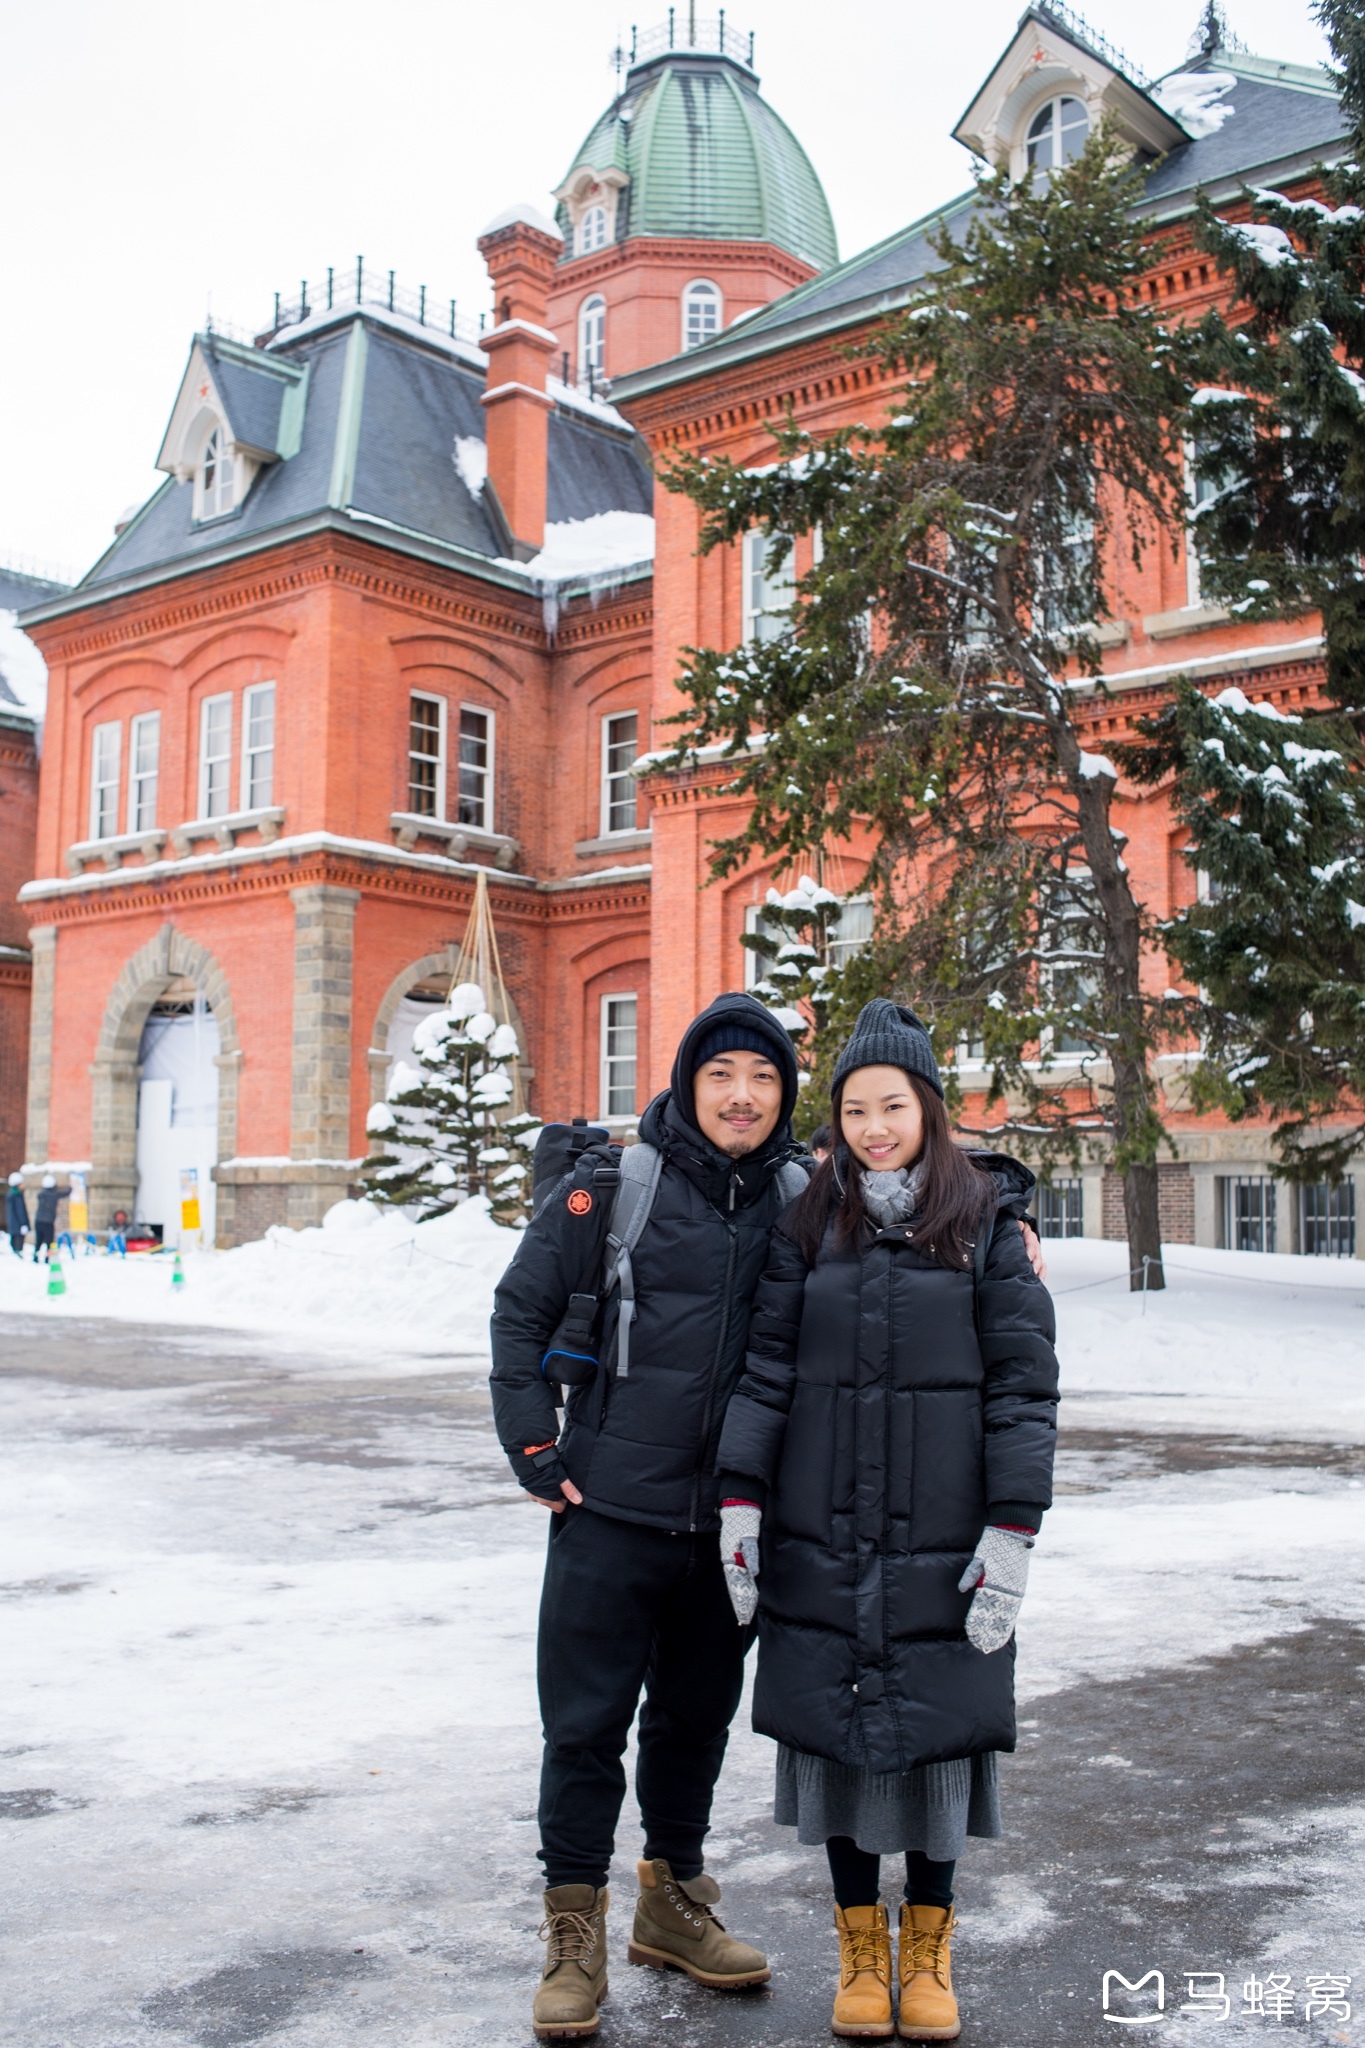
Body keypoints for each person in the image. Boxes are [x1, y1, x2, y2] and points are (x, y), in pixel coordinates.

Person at [714, 1000, 1059, 2042]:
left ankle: (933, 1948)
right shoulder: (807, 1223)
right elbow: (766, 1370)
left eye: (892, 1104)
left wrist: (1013, 1528)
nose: (873, 1125)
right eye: (854, 1107)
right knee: (838, 1742)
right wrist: (741, 1500)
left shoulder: (986, 1223)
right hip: (823, 1530)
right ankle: (862, 1951)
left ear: (929, 1109)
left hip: (948, 1540)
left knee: (939, 1740)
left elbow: (1022, 1387)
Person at [490, 993, 804, 2039]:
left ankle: (672, 1903)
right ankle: (573, 1930)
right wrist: (536, 1446)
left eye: (762, 1078)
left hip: (728, 1527)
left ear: (784, 1094)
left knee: (694, 1721)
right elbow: (519, 1310)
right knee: (583, 1729)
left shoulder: (805, 1197)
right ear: (688, 1079)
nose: (743, 1094)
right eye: (723, 1074)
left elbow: (924, 1174)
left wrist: (1015, 1204)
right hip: (611, 1511)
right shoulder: (616, 1185)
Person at [33, 1174, 67, 1262]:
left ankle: (35, 1257)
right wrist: (71, 1188)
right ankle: (47, 1258)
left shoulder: (40, 1194)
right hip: (48, 1222)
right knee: (49, 1242)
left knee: (38, 1241)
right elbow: (64, 1193)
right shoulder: (54, 1195)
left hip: (38, 1221)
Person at [6, 1173, 29, 1258]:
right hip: (18, 1225)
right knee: (18, 1246)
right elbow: (20, 1211)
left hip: (14, 1225)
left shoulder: (11, 1194)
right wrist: (23, 1223)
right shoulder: (16, 1196)